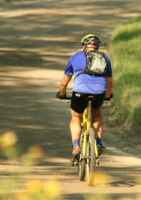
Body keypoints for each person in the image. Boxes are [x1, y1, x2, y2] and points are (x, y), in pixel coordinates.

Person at [57, 34, 113, 165]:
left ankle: (76, 146)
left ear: (83, 46)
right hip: (99, 91)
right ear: (97, 47)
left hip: (80, 91)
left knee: (76, 117)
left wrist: (62, 94)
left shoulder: (75, 57)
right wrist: (108, 96)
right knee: (97, 113)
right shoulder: (104, 58)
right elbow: (110, 83)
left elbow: (64, 83)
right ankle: (98, 142)